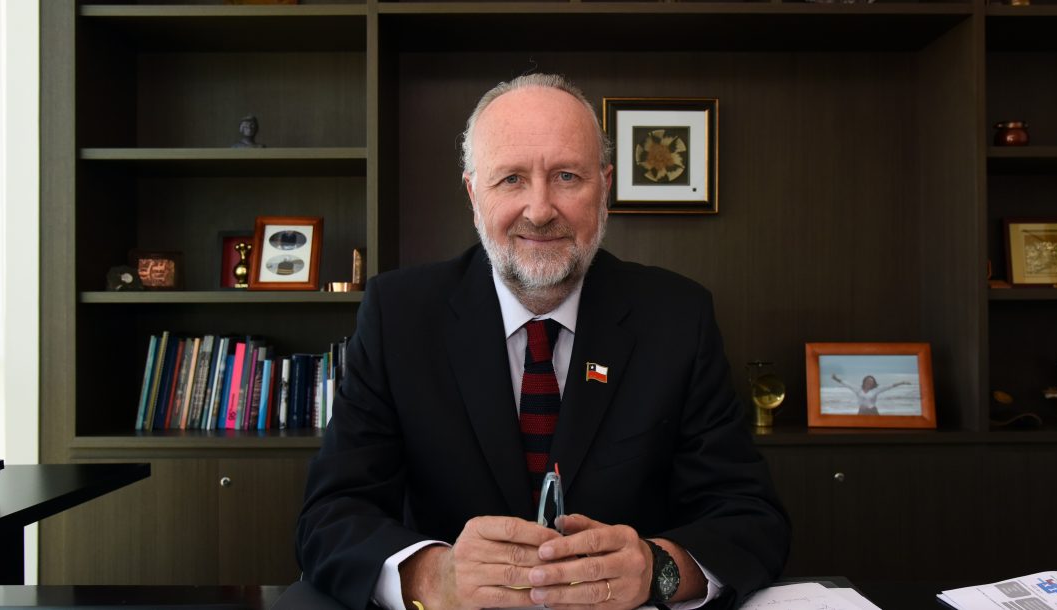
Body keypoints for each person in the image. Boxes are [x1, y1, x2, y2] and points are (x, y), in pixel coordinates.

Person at [295, 73, 790, 610]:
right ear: (473, 193)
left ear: (604, 188)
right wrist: (433, 578)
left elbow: (749, 516)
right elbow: (331, 515)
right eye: (511, 179)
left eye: (566, 176)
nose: (539, 209)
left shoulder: (677, 317)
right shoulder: (398, 315)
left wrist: (657, 569)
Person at [830, 374, 908, 416]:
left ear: (873, 384)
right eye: (868, 381)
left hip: (873, 411)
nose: (869, 383)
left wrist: (902, 383)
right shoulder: (858, 389)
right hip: (862, 412)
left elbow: (889, 386)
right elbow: (847, 384)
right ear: (864, 381)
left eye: (871, 382)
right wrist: (836, 379)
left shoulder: (875, 390)